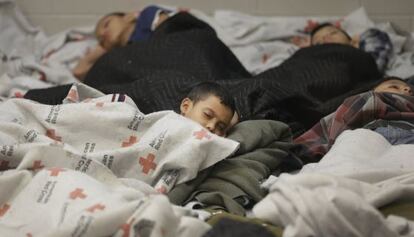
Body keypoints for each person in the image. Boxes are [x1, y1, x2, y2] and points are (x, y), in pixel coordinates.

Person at [293, 76, 414, 163]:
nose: (407, 90)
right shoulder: (370, 98)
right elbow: (338, 130)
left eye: (411, 90)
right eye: (394, 86)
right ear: (373, 90)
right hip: (378, 136)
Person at [72, 5, 174, 80]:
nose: (103, 33)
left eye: (107, 24)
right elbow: (79, 72)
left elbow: (169, 29)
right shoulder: (118, 56)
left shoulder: (147, 16)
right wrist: (101, 48)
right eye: (100, 39)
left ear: (128, 17)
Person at [309, 22, 393, 73]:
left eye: (332, 33)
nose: (326, 39)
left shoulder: (370, 37)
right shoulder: (311, 63)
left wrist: (356, 50)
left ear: (352, 40)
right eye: (318, 42)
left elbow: (374, 66)